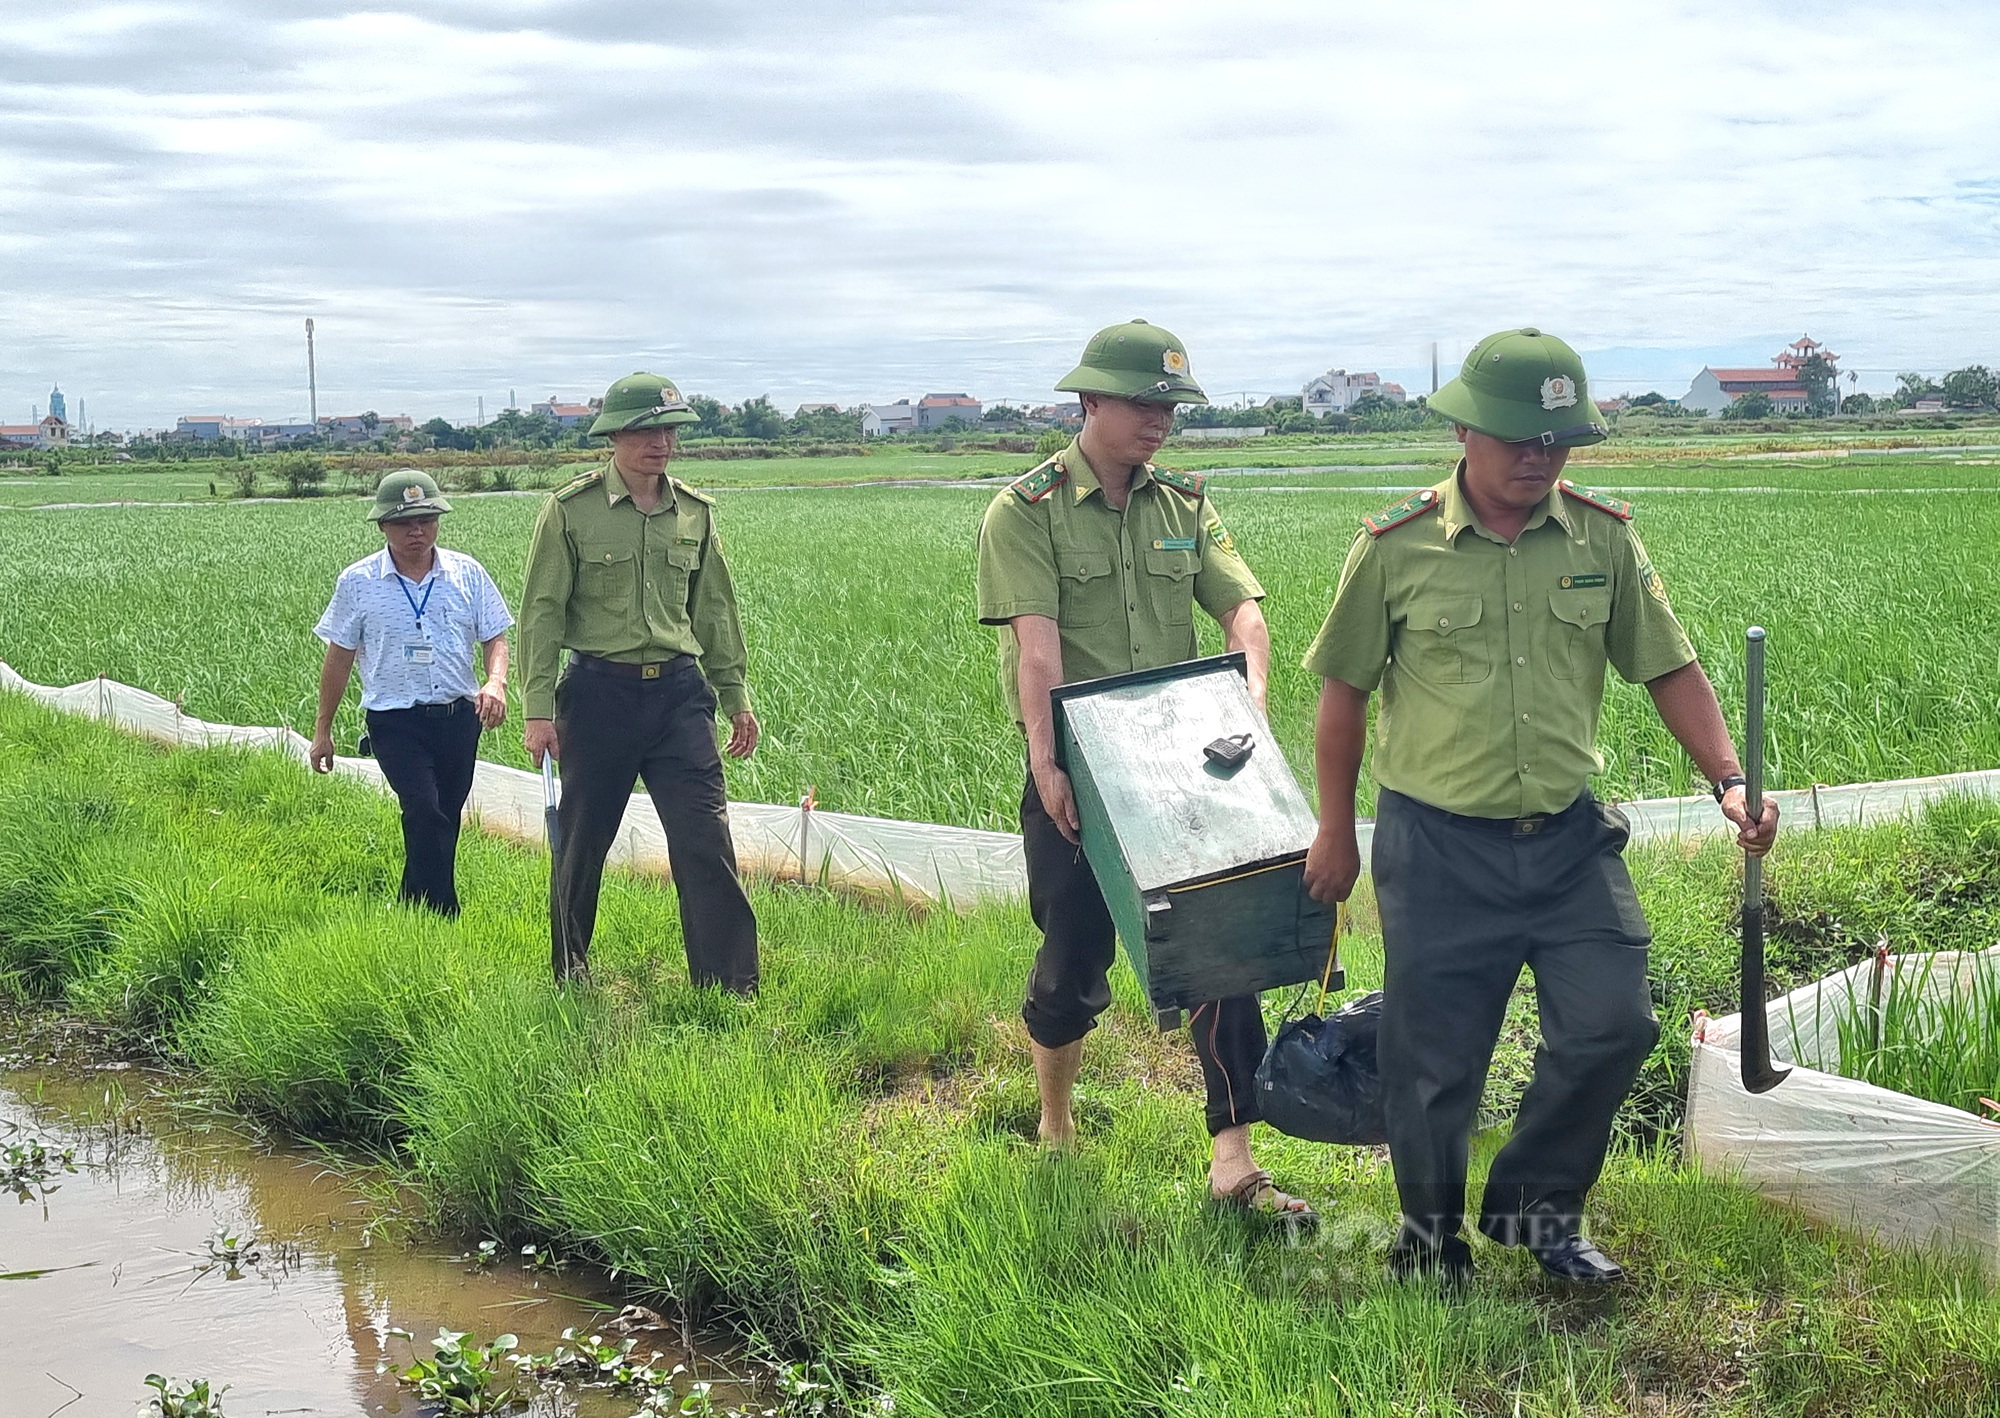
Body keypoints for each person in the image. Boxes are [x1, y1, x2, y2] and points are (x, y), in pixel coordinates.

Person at [1300, 327, 1780, 1286]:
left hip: (1567, 841)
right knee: (1435, 1059)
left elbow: (1667, 665)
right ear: (1467, 431)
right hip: (1435, 846)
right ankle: (1430, 1243)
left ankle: (1534, 1211)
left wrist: (1730, 779)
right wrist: (1332, 832)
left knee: (1613, 1026)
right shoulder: (1394, 548)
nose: (1539, 458)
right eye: (1521, 437)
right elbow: (1343, 694)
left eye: (1557, 441)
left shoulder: (1602, 536)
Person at [976, 319, 1314, 1223]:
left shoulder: (1185, 507)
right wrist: (1048, 764)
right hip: (1081, 772)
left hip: (1183, 772)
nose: (1159, 420)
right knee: (1070, 963)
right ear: (1089, 402)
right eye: (1141, 402)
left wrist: (1250, 703)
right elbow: (1037, 654)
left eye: (1171, 404)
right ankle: (1054, 1121)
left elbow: (1245, 615)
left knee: (1223, 949)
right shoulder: (1026, 511)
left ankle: (1233, 1161)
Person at [518, 372, 760, 989]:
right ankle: (570, 974)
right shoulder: (571, 511)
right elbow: (542, 610)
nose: (663, 442)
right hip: (599, 696)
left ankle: (730, 988)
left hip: (680, 697)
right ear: (616, 435)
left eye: (670, 429)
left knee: (705, 840)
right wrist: (537, 707)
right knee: (581, 844)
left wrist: (735, 697)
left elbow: (714, 611)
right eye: (648, 429)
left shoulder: (695, 514)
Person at [310, 469, 512, 916]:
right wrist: (323, 730)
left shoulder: (467, 573)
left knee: (446, 816)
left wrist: (495, 682)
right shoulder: (358, 582)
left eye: (426, 519)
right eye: (403, 522)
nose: (416, 530)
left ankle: (409, 907)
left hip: (459, 717)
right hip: (394, 719)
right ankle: (445, 913)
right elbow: (338, 658)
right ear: (382, 525)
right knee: (422, 808)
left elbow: (496, 636)